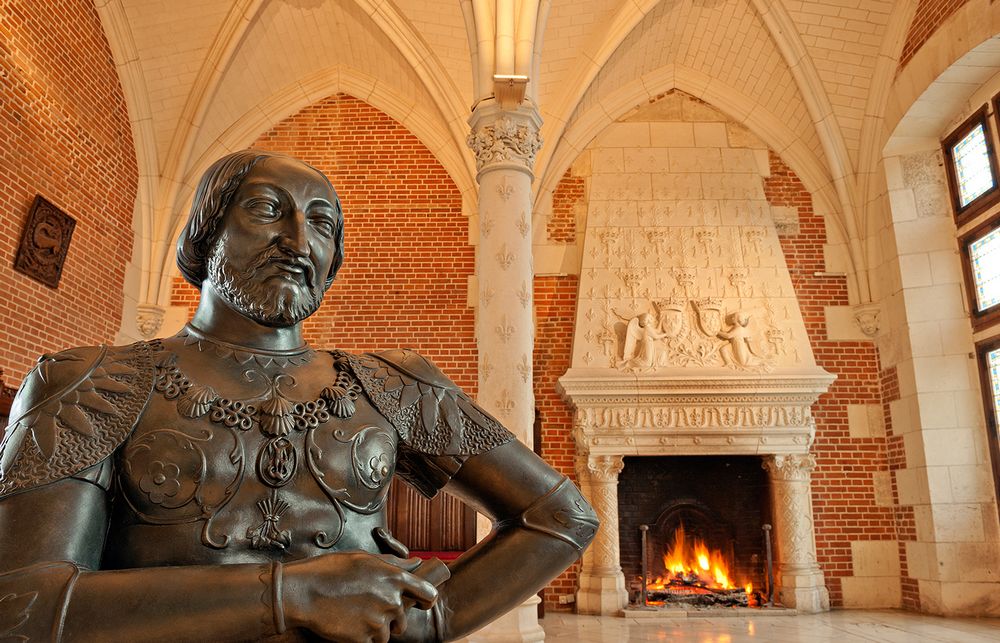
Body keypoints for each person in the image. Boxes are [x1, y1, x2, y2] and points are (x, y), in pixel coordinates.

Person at [0, 151, 598, 642]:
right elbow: (20, 605)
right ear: (207, 230)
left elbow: (561, 515)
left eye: (321, 224)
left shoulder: (389, 383)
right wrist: (296, 594)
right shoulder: (92, 381)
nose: (297, 240)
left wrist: (436, 615)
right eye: (267, 210)